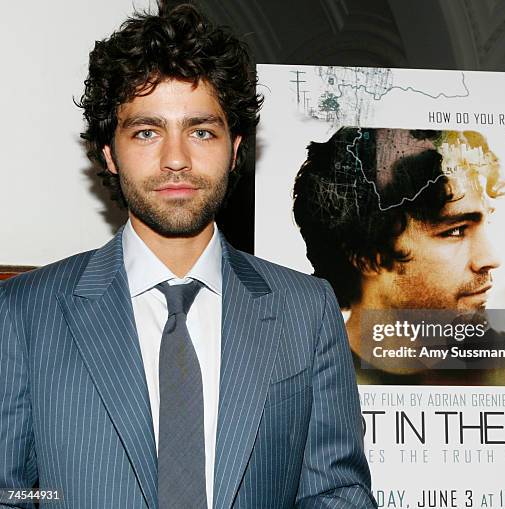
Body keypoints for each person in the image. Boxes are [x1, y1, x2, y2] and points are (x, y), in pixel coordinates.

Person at [0, 5, 375, 509]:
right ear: (109, 152)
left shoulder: (305, 309)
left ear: (235, 148)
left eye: (201, 131)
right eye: (146, 132)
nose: (176, 158)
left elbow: (335, 494)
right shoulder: (24, 313)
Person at [293, 127, 505, 386]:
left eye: (486, 223)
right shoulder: (299, 386)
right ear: (366, 256)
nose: (490, 258)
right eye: (455, 231)